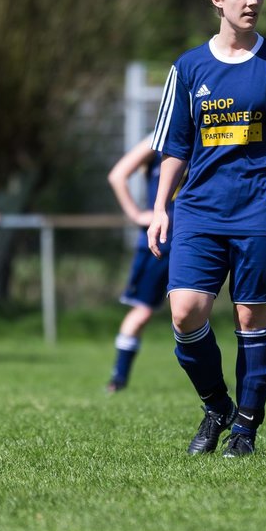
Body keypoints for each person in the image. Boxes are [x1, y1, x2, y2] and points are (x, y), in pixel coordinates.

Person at [148, 0, 266, 458]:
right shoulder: (189, 67)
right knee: (185, 314)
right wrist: (160, 207)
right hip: (198, 208)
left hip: (262, 208)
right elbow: (175, 144)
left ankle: (245, 427)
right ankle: (217, 404)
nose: (254, 1)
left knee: (249, 320)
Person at [104, 135, 176, 393]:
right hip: (160, 242)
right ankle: (118, 378)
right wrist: (135, 214)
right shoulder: (160, 138)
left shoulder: (207, 134)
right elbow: (118, 175)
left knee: (196, 310)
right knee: (142, 311)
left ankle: (213, 383)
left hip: (196, 238)